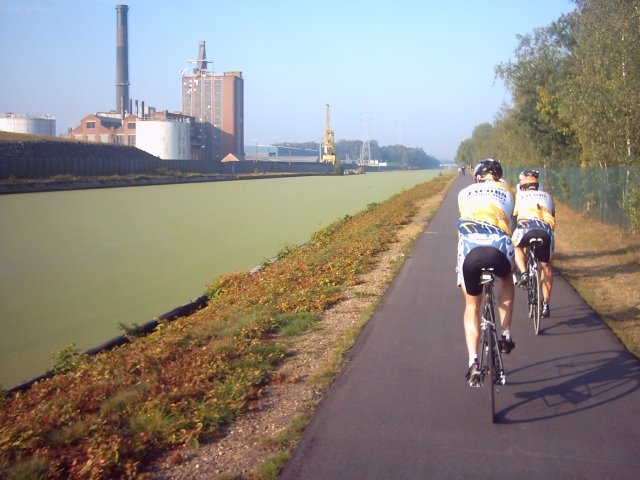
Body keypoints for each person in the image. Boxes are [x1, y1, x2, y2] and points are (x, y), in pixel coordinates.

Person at [457, 158, 516, 387]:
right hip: (498, 250)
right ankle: (506, 334)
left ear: (477, 177)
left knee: (472, 305)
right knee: (507, 279)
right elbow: (510, 221)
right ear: (499, 177)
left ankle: (473, 362)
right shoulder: (508, 192)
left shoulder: (464, 193)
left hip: (471, 252)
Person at [512, 169, 556, 318]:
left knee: (517, 246)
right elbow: (553, 218)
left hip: (526, 230)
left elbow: (514, 220)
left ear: (523, 187)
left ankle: (524, 273)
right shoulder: (548, 196)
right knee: (546, 266)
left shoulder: (519, 197)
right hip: (545, 232)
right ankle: (546, 305)